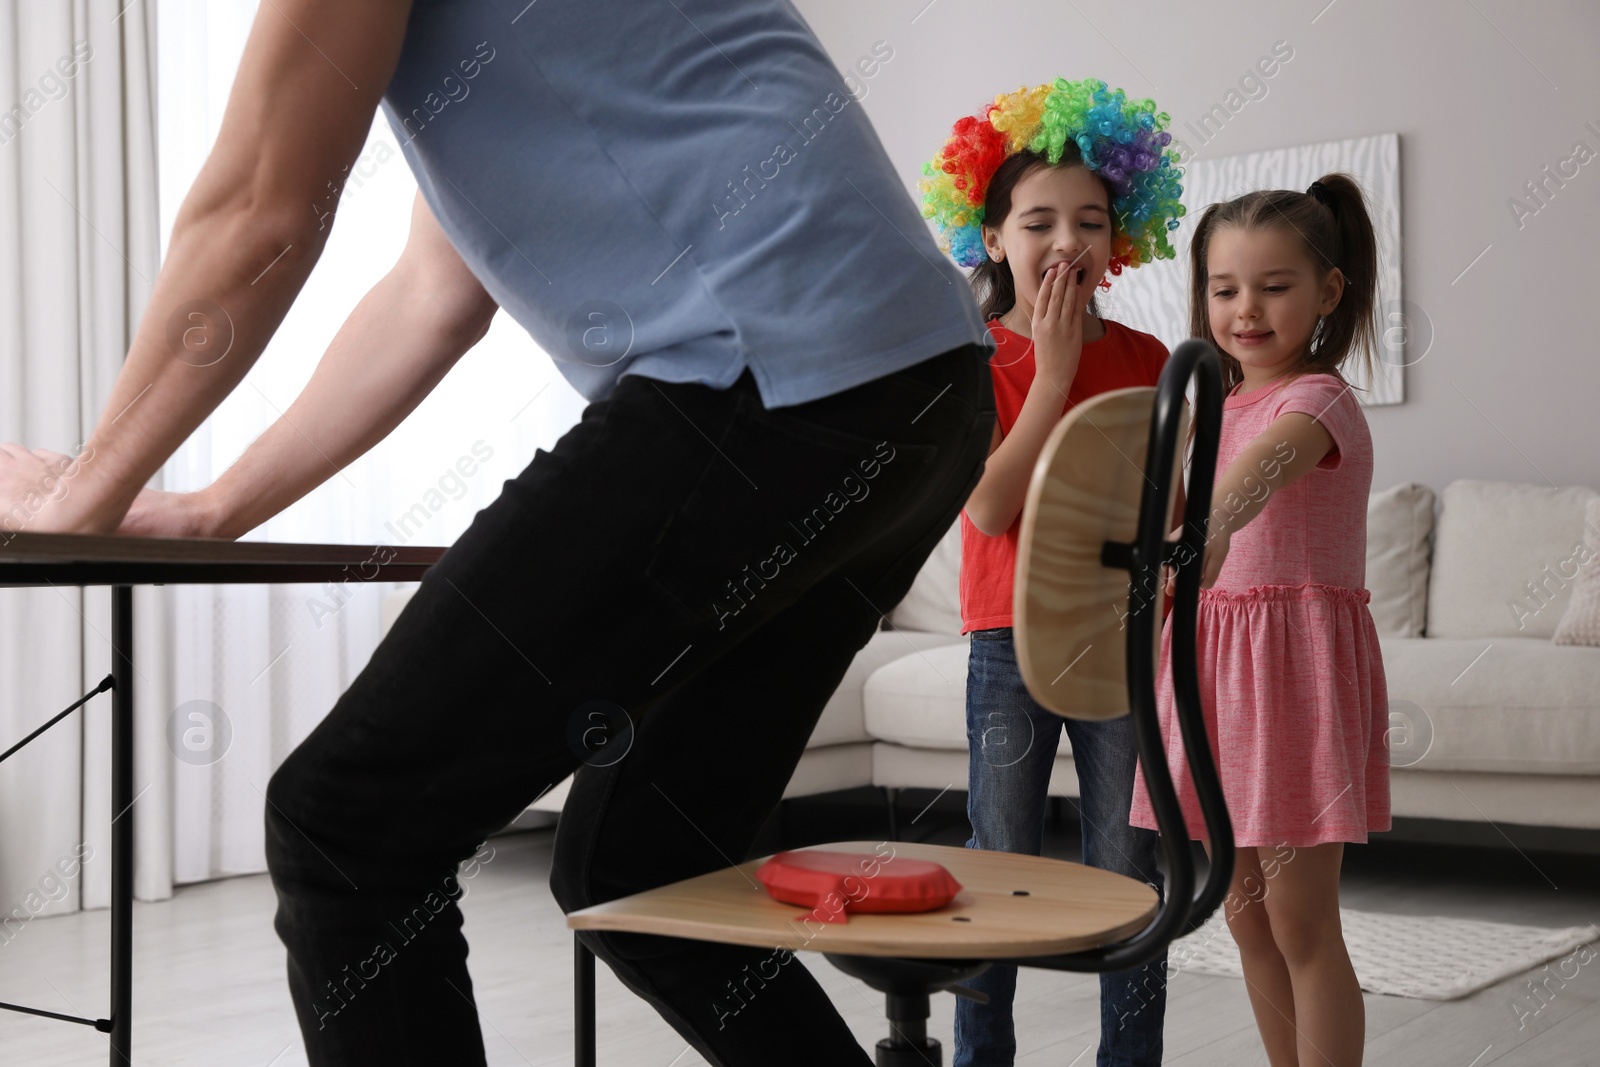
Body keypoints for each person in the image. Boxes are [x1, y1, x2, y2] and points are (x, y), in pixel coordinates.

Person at [0, 2, 1000, 1064]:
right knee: (644, 864)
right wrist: (210, 506)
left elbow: (261, 207)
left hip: (768, 381)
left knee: (351, 830)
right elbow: (434, 294)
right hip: (917, 392)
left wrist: (80, 498)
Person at [919, 78, 1185, 1067]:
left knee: (1127, 872)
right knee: (998, 876)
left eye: (1090, 220)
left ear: (1121, 239)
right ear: (990, 239)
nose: (1066, 241)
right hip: (1005, 643)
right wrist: (1058, 371)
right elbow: (988, 506)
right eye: (1038, 221)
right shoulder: (972, 357)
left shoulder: (1153, 357)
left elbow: (1162, 517)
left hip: (1118, 644)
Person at [1129, 173, 1391, 1067]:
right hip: (1208, 675)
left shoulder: (1317, 401)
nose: (1245, 308)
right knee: (1241, 918)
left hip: (1289, 678)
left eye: (1274, 287)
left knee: (1301, 921)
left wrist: (1206, 529)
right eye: (1224, 287)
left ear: (1326, 292)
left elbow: (1261, 476)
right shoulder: (1207, 408)